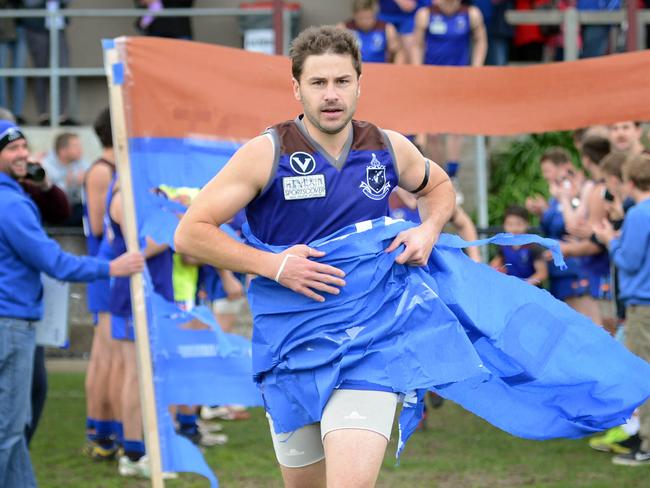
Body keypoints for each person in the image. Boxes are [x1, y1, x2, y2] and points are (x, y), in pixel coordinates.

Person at [175, 25, 455, 487]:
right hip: (289, 350)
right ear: (297, 88)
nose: (331, 95)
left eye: (342, 82)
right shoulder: (267, 153)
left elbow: (438, 186)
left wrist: (429, 229)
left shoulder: (387, 146)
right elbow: (190, 233)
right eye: (318, 83)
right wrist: (275, 265)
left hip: (369, 345)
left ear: (359, 84)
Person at [0, 119, 144, 487]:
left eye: (22, 147)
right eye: (10, 149)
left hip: (18, 318)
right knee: (10, 429)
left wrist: (42, 183)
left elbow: (60, 209)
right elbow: (55, 260)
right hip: (11, 320)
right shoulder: (10, 203)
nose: (21, 154)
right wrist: (112, 266)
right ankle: (118, 441)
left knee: (17, 425)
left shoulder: (17, 193)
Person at [593, 154, 650, 466]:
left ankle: (647, 443)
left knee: (643, 375)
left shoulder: (640, 213)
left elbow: (628, 260)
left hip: (644, 304)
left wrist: (609, 240)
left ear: (629, 182)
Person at [412, 0, 487, 201]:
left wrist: (476, 69)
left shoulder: (470, 14)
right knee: (433, 133)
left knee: (455, 130)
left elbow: (480, 40)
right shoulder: (425, 14)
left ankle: (453, 177)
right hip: (432, 79)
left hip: (458, 80)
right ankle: (439, 176)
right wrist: (418, 71)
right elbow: (417, 44)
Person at [82, 108, 121, 459]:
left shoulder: (111, 169)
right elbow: (97, 227)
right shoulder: (101, 171)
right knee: (106, 357)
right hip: (105, 269)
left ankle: (103, 430)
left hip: (111, 269)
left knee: (106, 356)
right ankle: (100, 432)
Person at [22, 0, 76, 125]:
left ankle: (61, 115)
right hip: (37, 27)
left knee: (63, 69)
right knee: (42, 71)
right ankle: (43, 115)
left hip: (58, 26)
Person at [490, 205, 548, 285]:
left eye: (519, 224)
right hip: (511, 290)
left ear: (527, 224)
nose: (514, 228)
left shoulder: (533, 247)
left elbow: (542, 274)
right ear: (504, 225)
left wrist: (524, 285)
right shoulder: (503, 245)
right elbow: (495, 265)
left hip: (531, 292)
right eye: (510, 224)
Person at [42, 132, 88, 225]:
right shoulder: (45, 166)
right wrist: (66, 185)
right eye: (75, 146)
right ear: (62, 150)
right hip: (53, 212)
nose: (80, 149)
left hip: (75, 209)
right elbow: (48, 197)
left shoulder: (81, 162)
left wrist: (85, 184)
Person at [0, 0, 27, 124]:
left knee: (19, 72)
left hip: (20, 23)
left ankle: (17, 114)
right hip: (2, 24)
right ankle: (3, 113)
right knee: (2, 72)